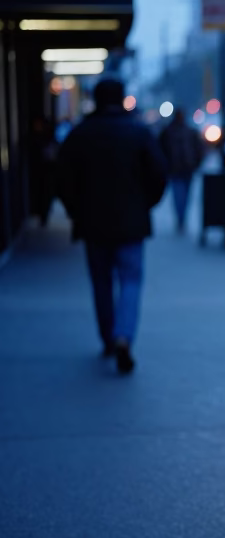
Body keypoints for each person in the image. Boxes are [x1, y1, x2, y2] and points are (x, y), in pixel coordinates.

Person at [56, 78, 167, 374]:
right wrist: (145, 205)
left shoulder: (80, 134)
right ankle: (124, 336)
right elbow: (159, 174)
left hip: (93, 223)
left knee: (101, 282)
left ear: (95, 99)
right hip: (131, 222)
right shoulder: (138, 132)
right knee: (131, 280)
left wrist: (75, 210)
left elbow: (63, 178)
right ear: (122, 99)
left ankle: (107, 338)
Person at [158, 109, 205, 232]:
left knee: (179, 196)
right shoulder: (188, 131)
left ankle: (180, 219)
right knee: (183, 196)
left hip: (179, 169)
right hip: (184, 169)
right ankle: (181, 219)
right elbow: (200, 149)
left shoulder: (169, 132)